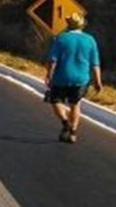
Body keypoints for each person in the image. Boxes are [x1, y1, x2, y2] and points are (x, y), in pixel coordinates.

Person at [43, 13, 102, 143]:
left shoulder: (61, 38)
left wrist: (49, 75)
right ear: (82, 25)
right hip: (81, 78)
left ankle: (65, 123)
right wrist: (98, 81)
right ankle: (73, 132)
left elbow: (53, 60)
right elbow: (95, 63)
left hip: (61, 77)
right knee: (75, 104)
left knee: (55, 101)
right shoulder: (90, 40)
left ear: (68, 24)